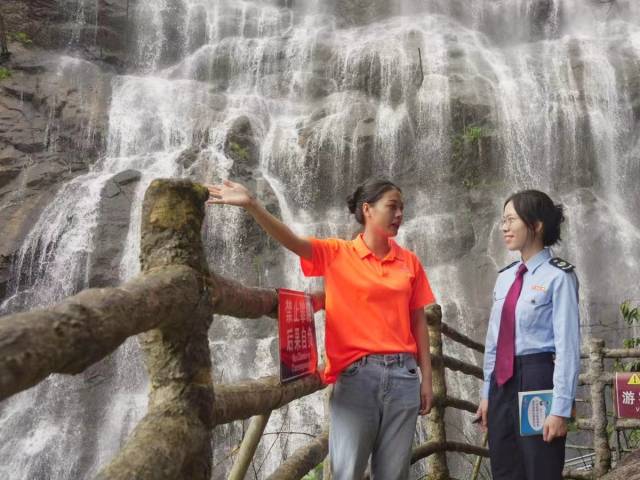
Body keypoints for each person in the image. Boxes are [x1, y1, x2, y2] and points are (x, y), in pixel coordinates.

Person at [205, 178, 436, 479]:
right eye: (392, 206)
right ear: (367, 209)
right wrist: (252, 205)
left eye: (402, 208)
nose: (399, 214)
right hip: (356, 377)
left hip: (404, 376)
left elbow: (418, 321)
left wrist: (426, 379)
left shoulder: (410, 262)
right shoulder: (337, 252)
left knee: (395, 475)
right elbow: (292, 241)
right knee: (346, 472)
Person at [475, 190, 581, 480]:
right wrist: (487, 394)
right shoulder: (505, 277)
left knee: (540, 468)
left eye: (511, 220)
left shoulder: (559, 276)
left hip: (537, 379)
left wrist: (560, 409)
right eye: (503, 220)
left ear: (536, 225)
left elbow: (568, 347)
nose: (504, 227)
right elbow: (494, 341)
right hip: (501, 382)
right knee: (504, 469)